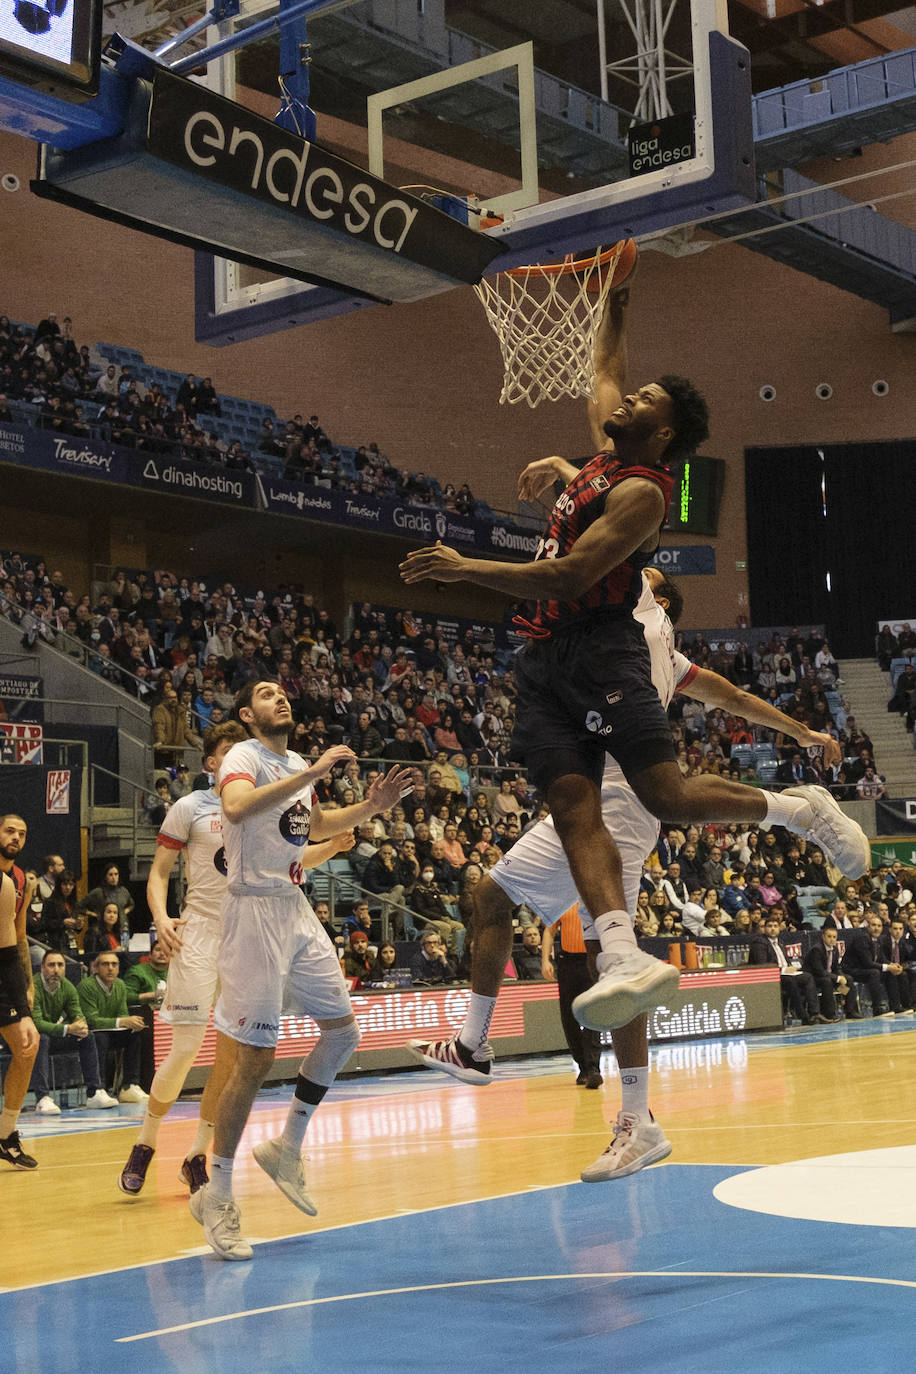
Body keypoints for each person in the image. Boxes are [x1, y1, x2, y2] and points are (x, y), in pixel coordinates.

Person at [400, 261, 868, 1042]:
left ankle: (796, 811)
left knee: (667, 798)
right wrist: (611, 309)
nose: (628, 398)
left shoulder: (642, 492)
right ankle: (588, 985)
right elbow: (603, 374)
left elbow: (574, 572)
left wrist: (465, 569)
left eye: (647, 400)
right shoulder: (605, 459)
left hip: (597, 650)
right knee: (566, 810)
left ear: (664, 431)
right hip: (547, 661)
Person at [407, 566, 851, 1179]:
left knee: (551, 923)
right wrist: (802, 731)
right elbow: (735, 697)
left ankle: (490, 1052)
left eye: (643, 574)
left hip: (615, 807)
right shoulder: (663, 655)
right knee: (581, 949)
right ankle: (606, 1105)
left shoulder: (641, 625)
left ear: (654, 600)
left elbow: (584, 564)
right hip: (607, 803)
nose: (624, 569)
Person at [189, 679, 411, 1261]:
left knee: (343, 1033)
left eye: (283, 692)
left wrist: (370, 808)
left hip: (294, 907)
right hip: (251, 910)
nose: (279, 697)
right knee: (255, 1059)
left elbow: (310, 827)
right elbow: (235, 808)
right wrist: (313, 773)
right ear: (247, 711)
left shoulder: (289, 763)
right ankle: (217, 1192)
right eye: (265, 693)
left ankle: (287, 1146)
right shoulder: (244, 756)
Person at [119, 722, 247, 1196]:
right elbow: (157, 874)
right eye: (230, 752)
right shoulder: (189, 807)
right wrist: (161, 917)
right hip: (197, 936)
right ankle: (145, 1142)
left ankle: (196, 1155)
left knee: (231, 1058)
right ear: (211, 762)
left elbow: (291, 864)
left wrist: (329, 847)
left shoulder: (259, 807)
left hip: (245, 940)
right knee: (186, 1049)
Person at [29, 950, 119, 1113]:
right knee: (41, 1038)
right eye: (51, 965)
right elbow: (36, 1024)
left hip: (53, 1036)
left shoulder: (68, 987)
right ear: (42, 968)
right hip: (29, 1039)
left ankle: (94, 1093)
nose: (56, 969)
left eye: (60, 965)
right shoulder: (33, 987)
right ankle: (42, 1098)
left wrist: (81, 1025)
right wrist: (68, 1028)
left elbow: (78, 1014)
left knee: (87, 1036)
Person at [0, 868, 40, 1168]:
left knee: (28, 1044)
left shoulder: (6, 884)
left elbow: (10, 949)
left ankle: (5, 1133)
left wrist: (24, 1011)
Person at [541, 909, 603, 1089]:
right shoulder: (563, 901)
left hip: (591, 959)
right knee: (569, 1017)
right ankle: (583, 1066)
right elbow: (549, 930)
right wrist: (545, 960)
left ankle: (592, 1069)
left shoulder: (592, 897)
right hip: (568, 961)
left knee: (593, 1014)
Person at [76, 951, 148, 1102]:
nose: (110, 968)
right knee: (100, 1037)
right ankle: (99, 1089)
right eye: (105, 964)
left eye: (114, 964)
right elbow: (91, 1021)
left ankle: (129, 1086)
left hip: (111, 1033)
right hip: (89, 1035)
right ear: (95, 968)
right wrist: (122, 1021)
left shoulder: (120, 985)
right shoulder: (86, 986)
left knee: (133, 1033)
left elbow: (122, 1014)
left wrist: (132, 1023)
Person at [748, 914, 827, 1025]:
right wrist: (784, 970)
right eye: (770, 926)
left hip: (786, 974)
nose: (773, 928)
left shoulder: (780, 942)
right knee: (791, 981)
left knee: (808, 977)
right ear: (765, 929)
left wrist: (792, 968)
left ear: (779, 928)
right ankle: (802, 1016)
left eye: (775, 926)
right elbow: (763, 965)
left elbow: (785, 961)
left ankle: (814, 1013)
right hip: (771, 977)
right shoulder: (759, 942)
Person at [803, 926, 857, 1021]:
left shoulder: (835, 949)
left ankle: (850, 1011)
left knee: (848, 979)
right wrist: (837, 978)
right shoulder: (817, 949)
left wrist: (840, 976)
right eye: (829, 936)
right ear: (823, 937)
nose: (832, 939)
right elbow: (819, 971)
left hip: (828, 976)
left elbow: (836, 968)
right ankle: (830, 1014)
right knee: (827, 981)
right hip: (814, 977)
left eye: (834, 937)